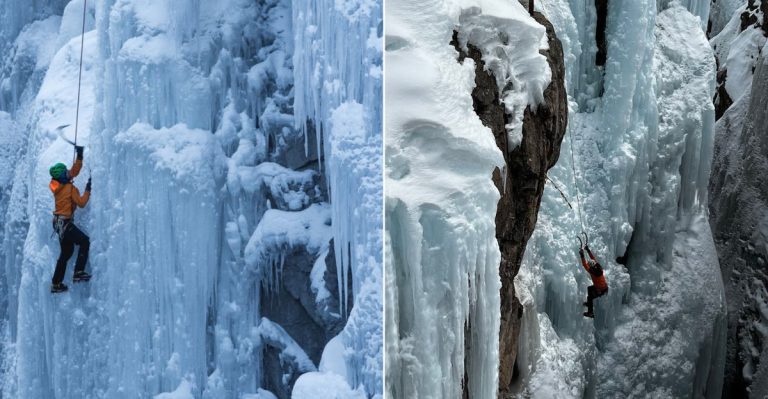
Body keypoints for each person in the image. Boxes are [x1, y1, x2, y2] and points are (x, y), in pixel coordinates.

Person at [49, 145, 92, 293]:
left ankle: (56, 284)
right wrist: (88, 189)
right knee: (84, 241)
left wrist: (79, 156)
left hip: (58, 224)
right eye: (65, 171)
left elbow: (73, 172)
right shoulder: (70, 189)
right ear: (63, 176)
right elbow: (82, 203)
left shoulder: (58, 187)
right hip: (65, 224)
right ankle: (78, 272)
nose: (69, 172)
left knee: (67, 252)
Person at [579, 243, 608, 318]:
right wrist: (588, 250)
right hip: (604, 287)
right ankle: (589, 304)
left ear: (591, 266)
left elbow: (584, 264)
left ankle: (590, 312)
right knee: (589, 288)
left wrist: (582, 255)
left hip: (600, 289)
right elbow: (593, 258)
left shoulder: (592, 272)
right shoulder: (598, 267)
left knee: (590, 298)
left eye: (589, 266)